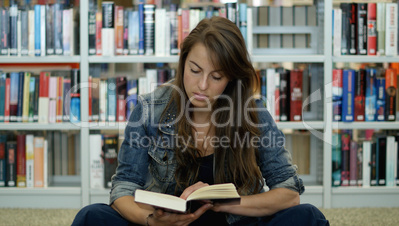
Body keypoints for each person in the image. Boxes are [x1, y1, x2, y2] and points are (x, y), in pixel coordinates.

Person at [72, 16, 328, 226]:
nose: (202, 85)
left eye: (216, 77)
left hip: (234, 223)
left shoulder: (254, 114)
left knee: (308, 217)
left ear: (231, 79)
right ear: (183, 63)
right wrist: (151, 221)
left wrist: (226, 204)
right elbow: (123, 188)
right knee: (91, 217)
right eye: (195, 70)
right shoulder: (150, 109)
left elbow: (289, 194)